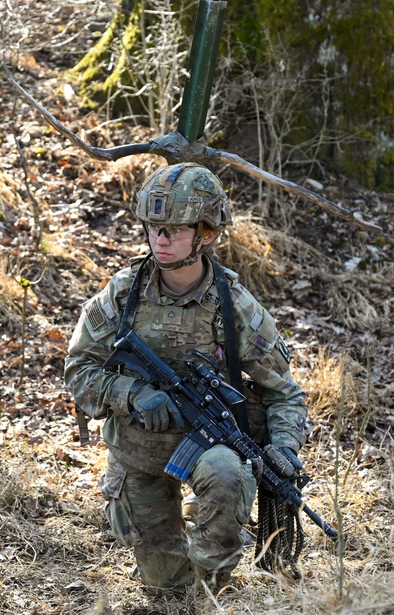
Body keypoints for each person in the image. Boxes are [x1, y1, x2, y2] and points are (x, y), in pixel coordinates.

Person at [65, 162, 308, 590]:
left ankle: (213, 581)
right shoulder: (123, 295)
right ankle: (180, 580)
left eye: (174, 229)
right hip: (139, 451)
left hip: (210, 449)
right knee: (166, 589)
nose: (160, 239)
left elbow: (283, 394)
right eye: (154, 227)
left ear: (207, 234)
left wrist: (285, 448)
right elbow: (79, 370)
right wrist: (131, 393)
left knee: (226, 480)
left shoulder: (235, 308)